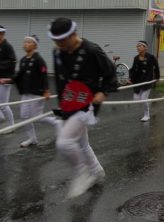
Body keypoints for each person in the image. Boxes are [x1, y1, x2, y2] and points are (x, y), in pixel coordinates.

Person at [49, 17, 118, 198]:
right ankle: (96, 171)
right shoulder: (58, 52)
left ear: (73, 35)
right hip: (69, 103)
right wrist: (62, 105)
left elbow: (110, 74)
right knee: (81, 142)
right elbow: (60, 80)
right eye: (56, 41)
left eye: (63, 40)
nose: (59, 44)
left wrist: (103, 92)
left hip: (87, 103)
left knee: (64, 143)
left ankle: (82, 172)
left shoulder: (91, 50)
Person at [0, 35, 60, 147]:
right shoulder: (23, 60)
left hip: (37, 92)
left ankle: (57, 123)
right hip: (26, 92)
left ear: (35, 45)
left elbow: (44, 75)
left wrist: (46, 90)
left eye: (28, 42)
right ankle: (32, 139)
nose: (25, 44)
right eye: (24, 42)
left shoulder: (38, 59)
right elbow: (18, 76)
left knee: (36, 117)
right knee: (24, 116)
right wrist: (8, 80)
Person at [129, 40, 160, 122]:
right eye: (137, 46)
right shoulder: (136, 58)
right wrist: (130, 79)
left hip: (147, 80)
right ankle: (147, 102)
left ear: (145, 48)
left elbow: (156, 67)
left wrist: (157, 77)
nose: (137, 47)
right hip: (138, 81)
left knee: (143, 98)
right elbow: (133, 70)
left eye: (139, 46)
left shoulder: (151, 57)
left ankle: (147, 115)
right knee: (136, 99)